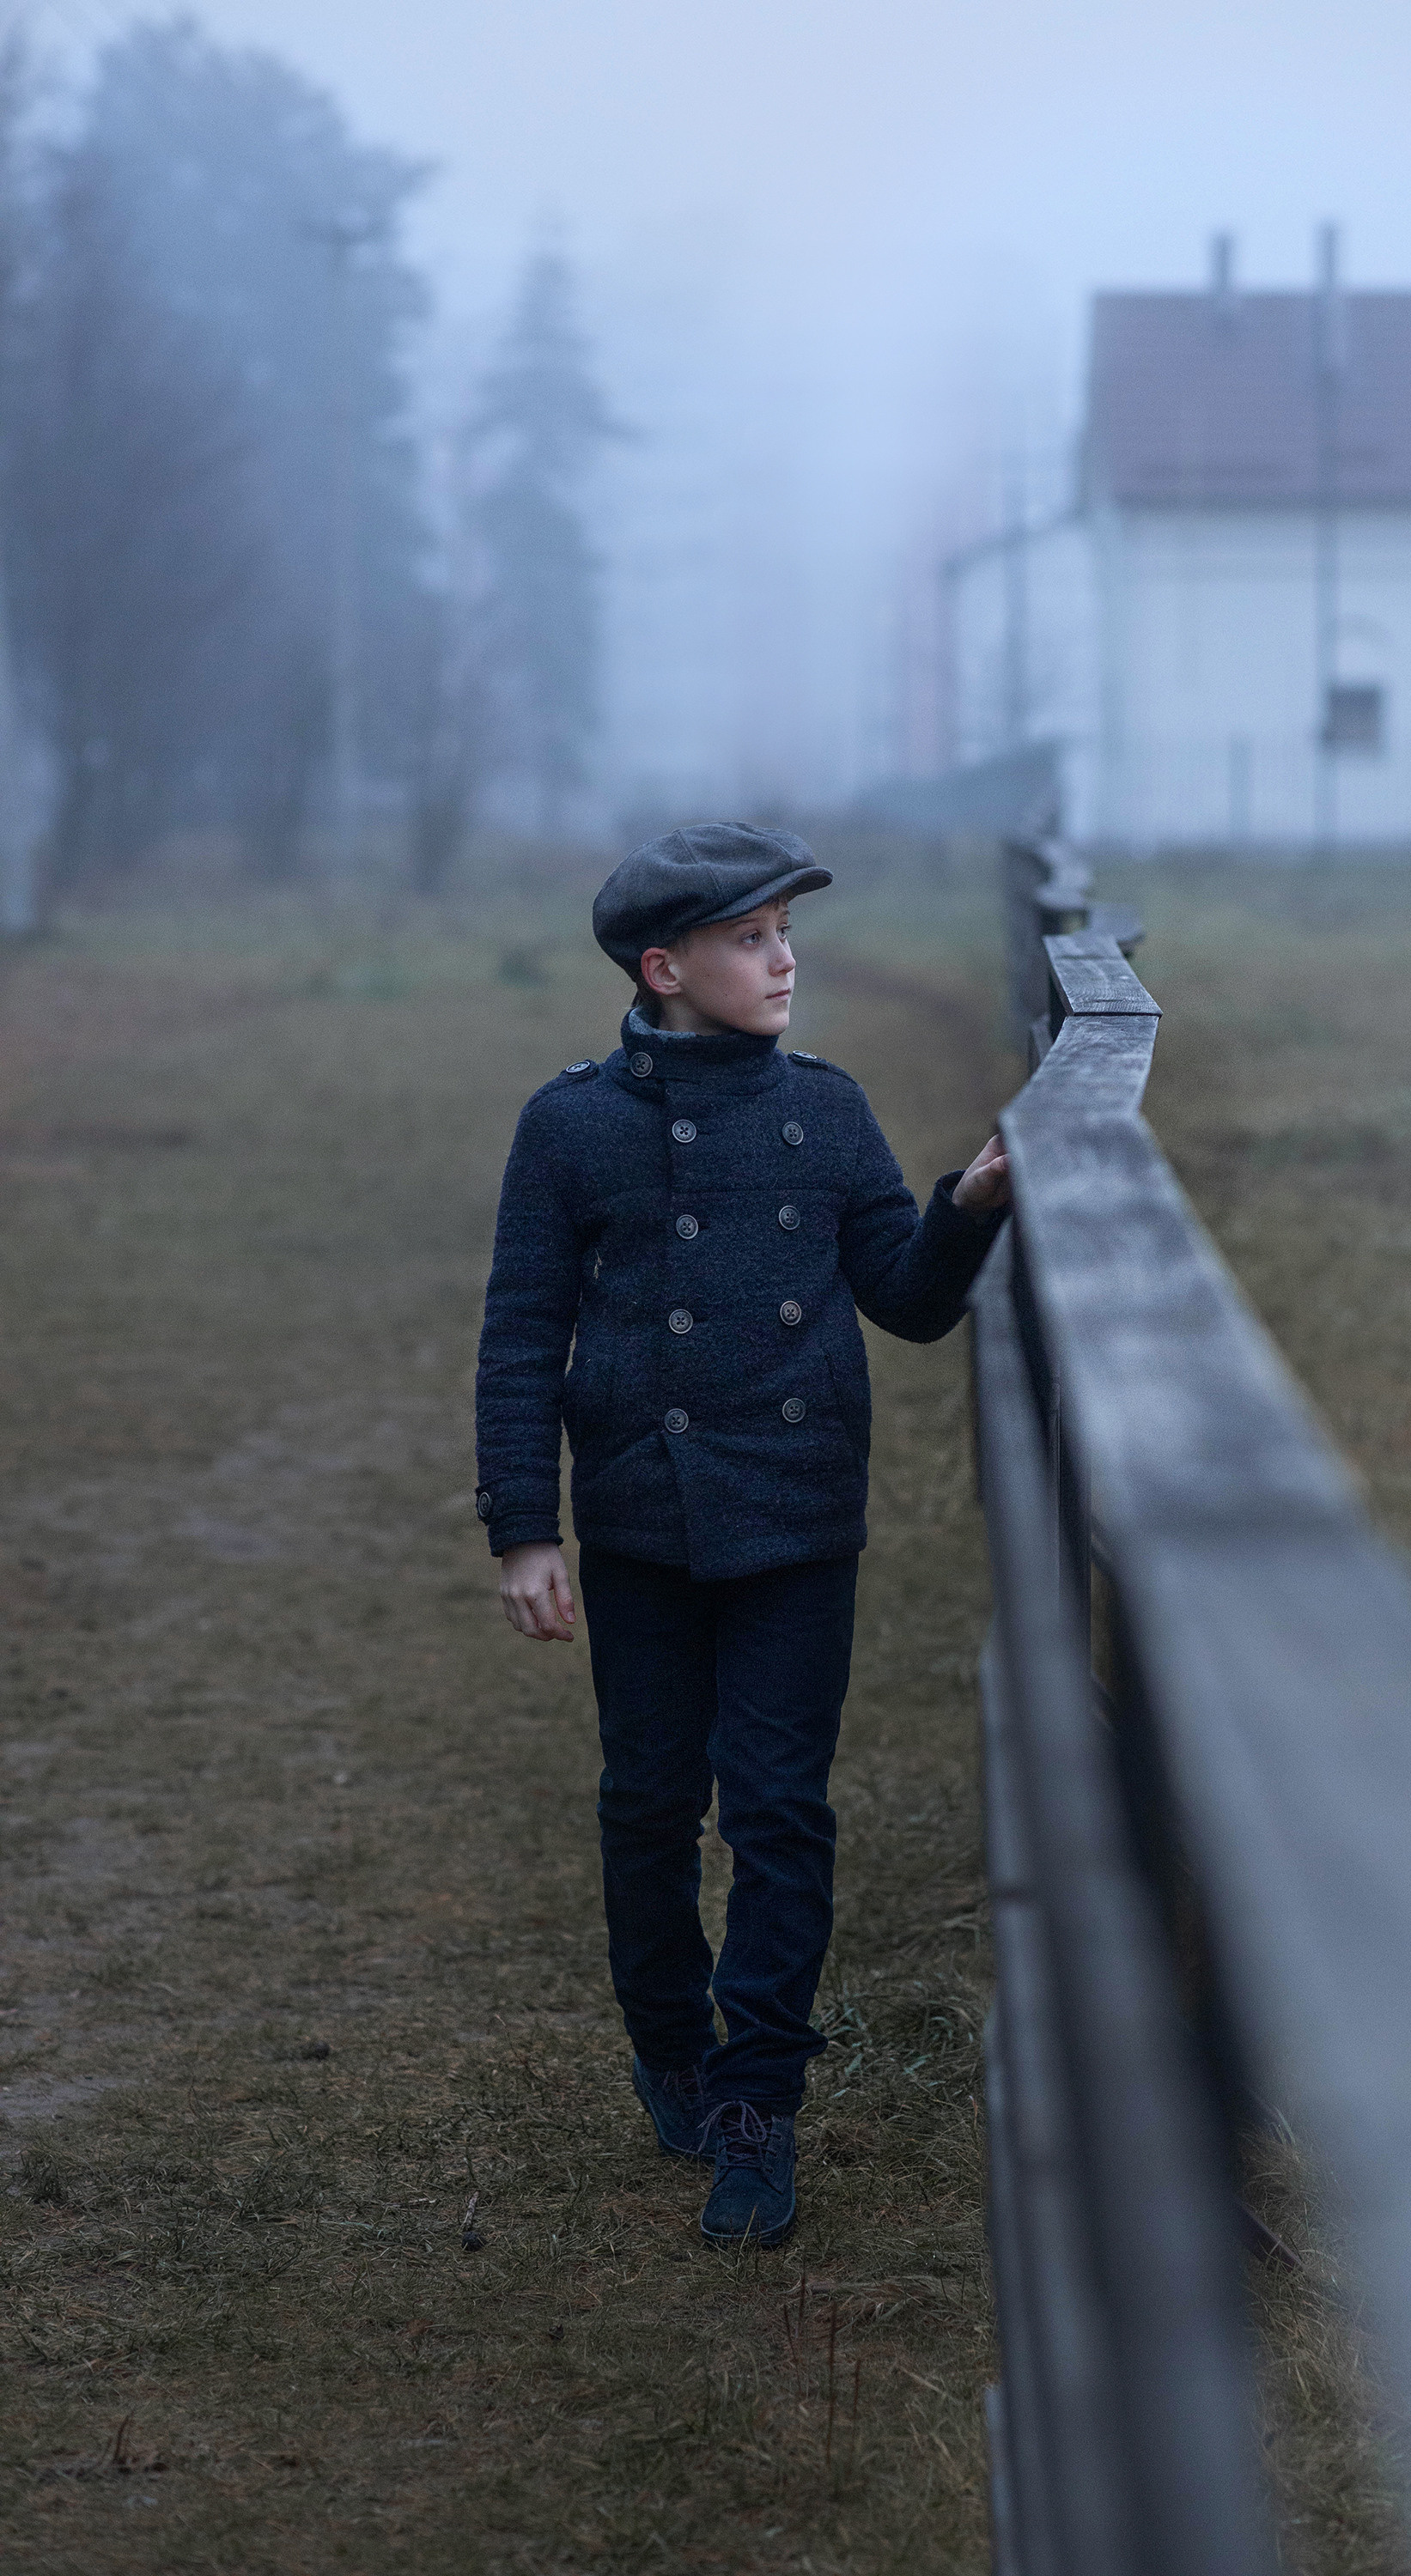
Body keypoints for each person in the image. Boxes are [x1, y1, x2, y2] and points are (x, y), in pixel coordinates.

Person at [473, 821, 1010, 2248]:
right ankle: (672, 2044)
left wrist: (968, 1205)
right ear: (665, 968)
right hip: (641, 1517)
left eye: (786, 936)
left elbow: (907, 1299)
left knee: (778, 1809)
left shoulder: (825, 1111)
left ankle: (758, 2098)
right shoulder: (570, 1126)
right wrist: (526, 1528)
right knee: (650, 1803)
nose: (785, 963)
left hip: (797, 1513)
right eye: (751, 940)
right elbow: (521, 1336)